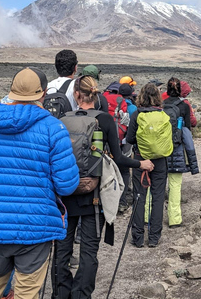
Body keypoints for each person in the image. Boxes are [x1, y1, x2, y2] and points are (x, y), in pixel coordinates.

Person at [0, 67, 79, 299]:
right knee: (27, 294)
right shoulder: (53, 129)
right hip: (36, 229)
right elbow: (66, 184)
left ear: (12, 91)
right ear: (43, 93)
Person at [54, 76, 153, 299]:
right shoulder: (105, 119)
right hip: (93, 195)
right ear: (96, 94)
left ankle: (60, 294)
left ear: (76, 95)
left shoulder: (61, 120)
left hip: (65, 195)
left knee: (62, 250)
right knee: (89, 251)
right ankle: (81, 294)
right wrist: (140, 163)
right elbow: (118, 158)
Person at [126, 82, 172, 248]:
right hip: (160, 160)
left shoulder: (137, 114)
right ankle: (154, 237)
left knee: (139, 196)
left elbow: (130, 139)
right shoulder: (163, 114)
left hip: (141, 160)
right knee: (158, 197)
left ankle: (138, 237)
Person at [163, 77, 199, 227]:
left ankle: (148, 216)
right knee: (175, 184)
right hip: (176, 149)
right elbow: (187, 131)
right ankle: (175, 219)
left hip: (159, 149)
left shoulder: (160, 105)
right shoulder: (184, 106)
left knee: (154, 185)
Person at [115, 84, 138, 214]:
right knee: (124, 172)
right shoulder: (133, 108)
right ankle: (122, 202)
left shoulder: (114, 105)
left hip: (114, 142)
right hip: (127, 144)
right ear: (131, 94)